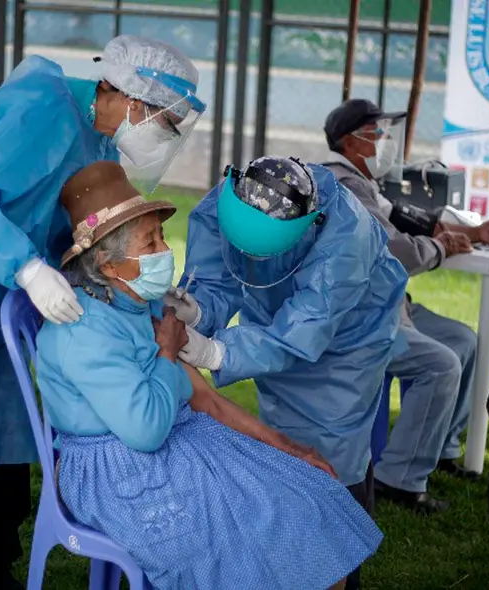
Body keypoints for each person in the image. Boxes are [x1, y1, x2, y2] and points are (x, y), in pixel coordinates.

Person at [0, 35, 203, 589]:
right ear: (132, 100)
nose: (163, 140)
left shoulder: (98, 145)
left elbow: (83, 244)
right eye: (165, 125)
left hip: (3, 305)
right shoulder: (35, 106)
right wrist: (26, 268)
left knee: (2, 473)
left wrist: (149, 290)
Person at [35, 160, 382, 590]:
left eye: (161, 236)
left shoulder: (131, 303)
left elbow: (205, 398)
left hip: (174, 438)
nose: (165, 251)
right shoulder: (85, 333)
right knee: (264, 520)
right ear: (108, 264)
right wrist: (170, 348)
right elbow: (146, 430)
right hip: (118, 467)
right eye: (152, 241)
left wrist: (290, 448)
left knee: (306, 487)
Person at [163, 155, 408, 589]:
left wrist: (217, 353)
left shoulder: (345, 237)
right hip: (269, 330)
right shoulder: (232, 200)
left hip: (347, 345)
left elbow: (302, 333)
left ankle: (341, 570)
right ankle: (296, 567)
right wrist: (198, 310)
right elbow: (218, 280)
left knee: (333, 461)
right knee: (283, 454)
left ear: (310, 226)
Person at [321, 98, 489, 513]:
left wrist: (474, 232)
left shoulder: (361, 182)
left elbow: (412, 221)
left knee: (465, 340)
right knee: (440, 363)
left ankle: (441, 448)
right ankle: (400, 480)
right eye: (378, 135)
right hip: (362, 317)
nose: (386, 143)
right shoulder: (343, 184)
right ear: (350, 143)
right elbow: (390, 249)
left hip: (390, 305)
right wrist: (441, 248)